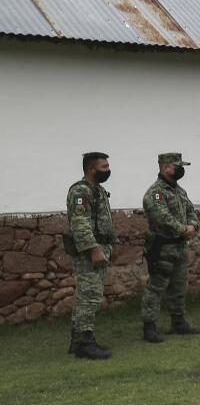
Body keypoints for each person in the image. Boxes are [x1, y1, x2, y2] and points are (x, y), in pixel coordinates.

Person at [140, 152, 200, 343]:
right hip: (163, 247)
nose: (181, 170)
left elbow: (191, 210)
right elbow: (162, 217)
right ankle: (149, 327)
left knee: (179, 286)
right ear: (165, 167)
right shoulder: (155, 193)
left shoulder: (179, 190)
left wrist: (193, 225)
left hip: (180, 247)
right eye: (178, 166)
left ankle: (178, 323)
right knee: (156, 288)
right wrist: (183, 229)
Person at [65, 151, 115, 360]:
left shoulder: (98, 190)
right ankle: (85, 342)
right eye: (104, 167)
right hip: (89, 251)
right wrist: (94, 250)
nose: (108, 170)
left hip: (100, 246)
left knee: (86, 296)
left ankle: (77, 342)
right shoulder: (81, 191)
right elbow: (80, 224)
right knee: (89, 297)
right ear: (91, 169)